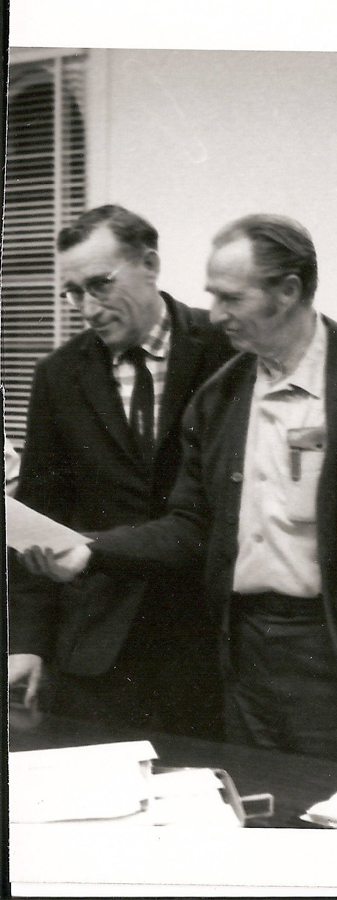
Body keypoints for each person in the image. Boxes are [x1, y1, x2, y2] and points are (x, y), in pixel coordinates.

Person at [24, 214, 337, 775]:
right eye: (212, 297)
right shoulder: (223, 396)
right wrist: (94, 551)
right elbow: (193, 524)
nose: (216, 315)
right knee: (262, 823)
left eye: (231, 298)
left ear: (288, 291)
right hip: (245, 660)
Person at [8, 204, 233, 736]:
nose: (87, 307)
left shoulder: (227, 351)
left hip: (210, 644)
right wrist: (28, 643)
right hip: (98, 648)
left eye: (100, 284)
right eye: (73, 292)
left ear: (149, 264)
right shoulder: (59, 376)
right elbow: (39, 514)